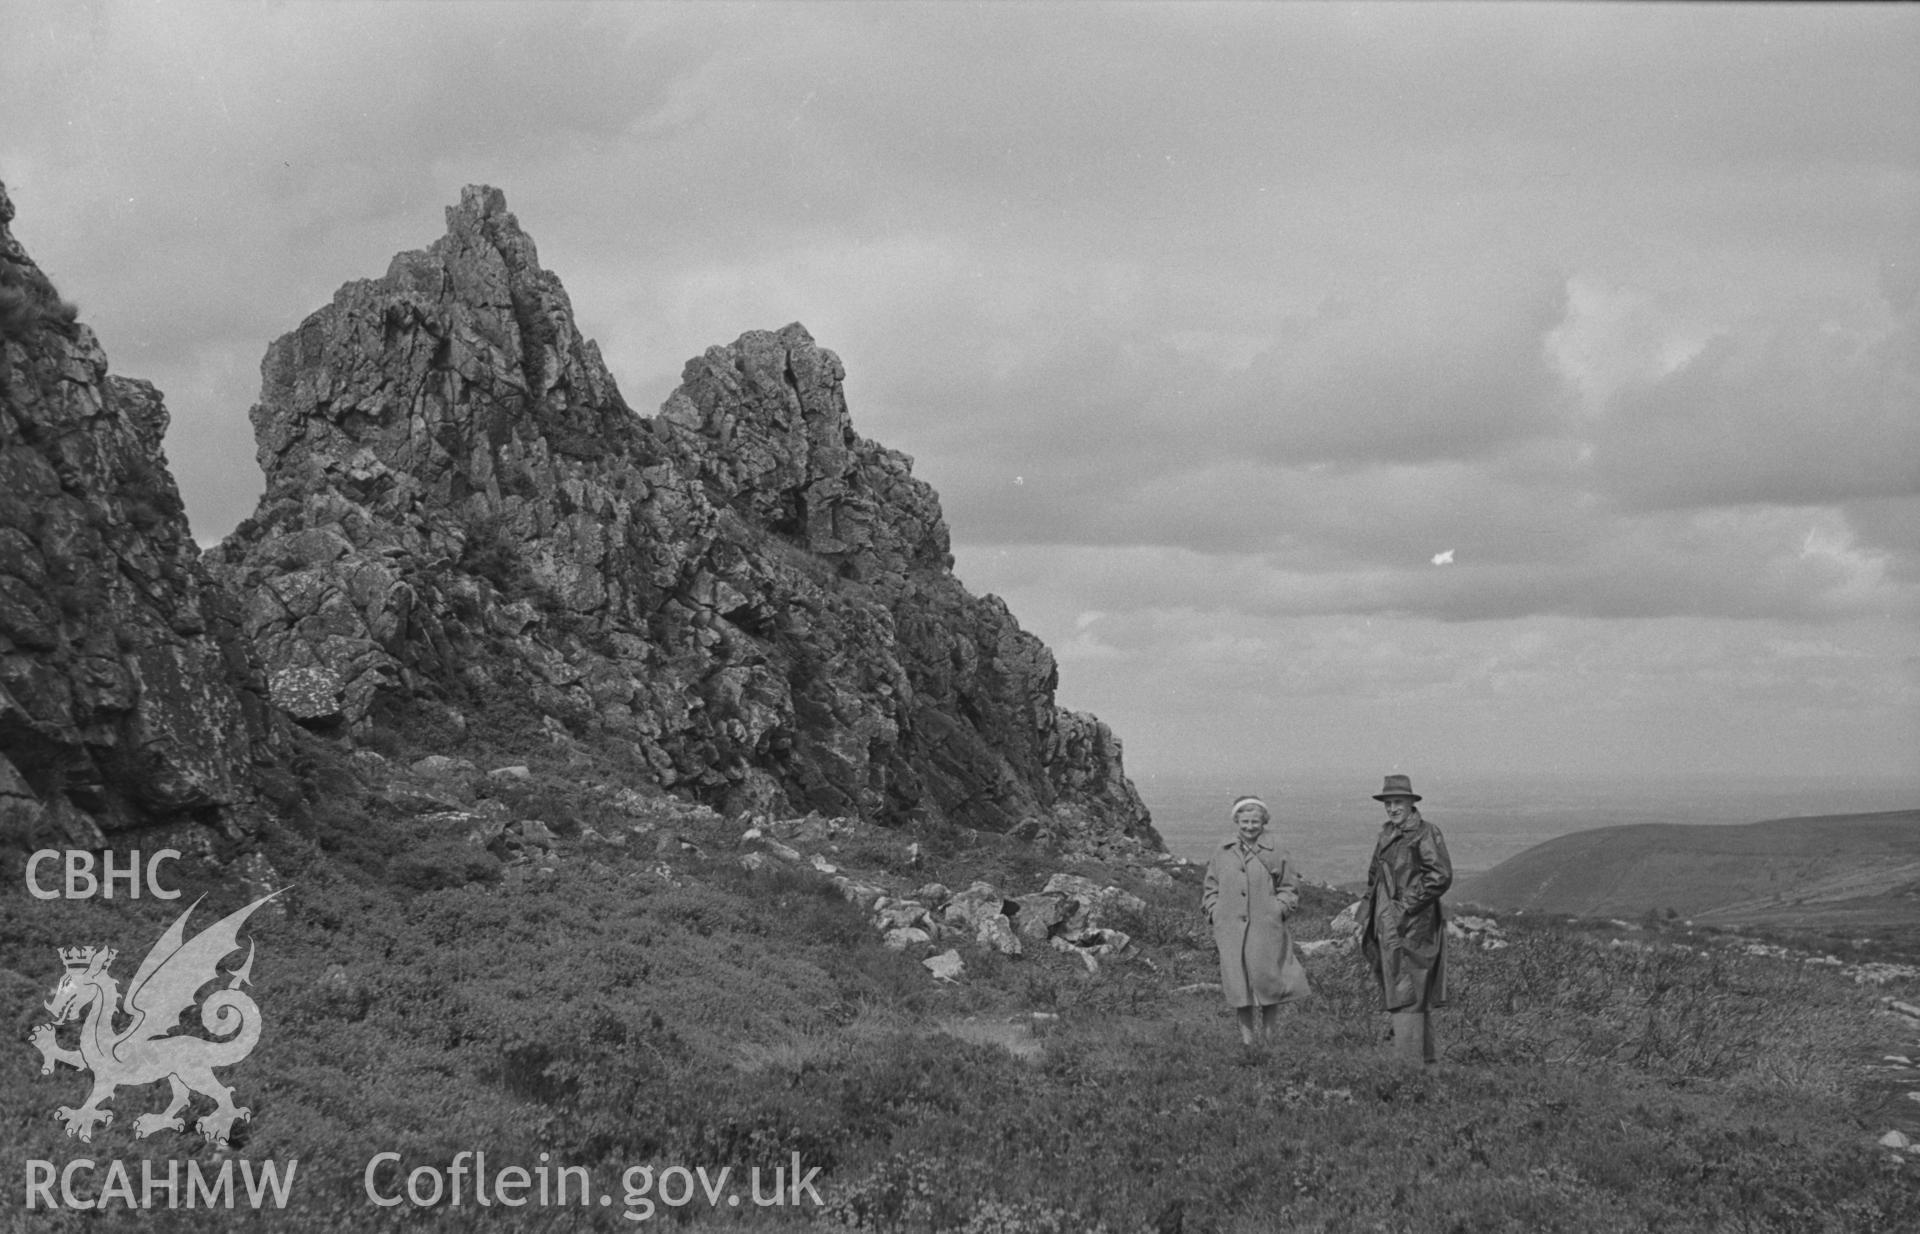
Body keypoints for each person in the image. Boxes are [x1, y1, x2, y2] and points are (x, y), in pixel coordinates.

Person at [1201, 795, 1311, 1046]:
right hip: (1230, 929)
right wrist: (1214, 911)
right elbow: (1211, 885)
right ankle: (1247, 1043)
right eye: (1245, 821)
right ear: (1236, 821)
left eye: (1255, 822)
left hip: (1265, 928)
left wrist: (1278, 909)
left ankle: (1270, 1040)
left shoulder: (1276, 849)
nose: (1250, 827)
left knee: (1269, 982)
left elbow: (1289, 886)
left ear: (1264, 822)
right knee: (1239, 986)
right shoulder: (1223, 849)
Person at [1359, 774, 1453, 1066]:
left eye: (1398, 802)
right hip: (1390, 923)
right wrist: (1366, 909)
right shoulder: (1387, 833)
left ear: (1412, 803)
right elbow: (1375, 874)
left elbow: (1440, 876)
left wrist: (1405, 907)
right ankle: (1423, 1062)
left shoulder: (1425, 833)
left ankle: (1408, 1067)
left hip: (1413, 925)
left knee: (1408, 988)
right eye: (1388, 803)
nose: (1392, 808)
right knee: (1407, 986)